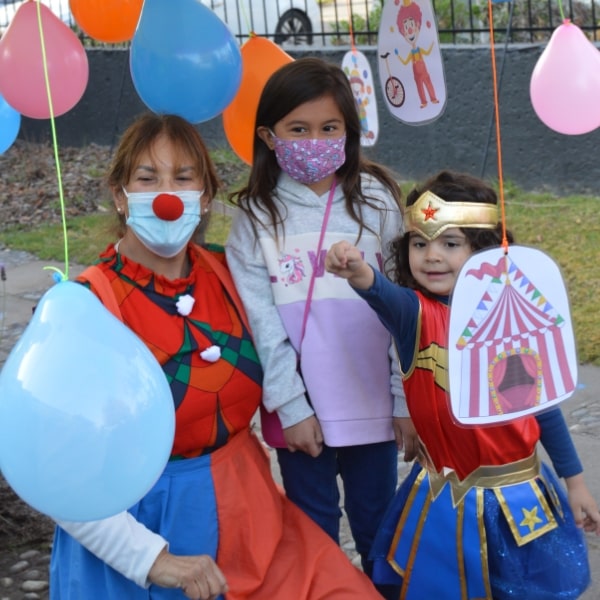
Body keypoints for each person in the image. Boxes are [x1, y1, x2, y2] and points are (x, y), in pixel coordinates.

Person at [48, 113, 386, 600]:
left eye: (184, 178)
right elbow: (55, 469)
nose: (167, 194)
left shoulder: (231, 273)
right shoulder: (85, 306)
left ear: (205, 197)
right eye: (147, 178)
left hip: (250, 518)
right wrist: (151, 559)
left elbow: (315, 327)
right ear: (121, 197)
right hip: (139, 541)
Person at [324, 169, 600, 599]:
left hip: (520, 495)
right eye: (419, 243)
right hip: (443, 498)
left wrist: (576, 482)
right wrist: (356, 268)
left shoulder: (513, 319)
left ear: (484, 250)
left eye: (450, 243)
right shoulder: (412, 314)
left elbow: (542, 407)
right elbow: (377, 290)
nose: (431, 256)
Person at [225, 56, 417, 597]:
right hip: (302, 415)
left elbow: (403, 307)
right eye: (299, 129)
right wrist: (292, 406)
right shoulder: (257, 216)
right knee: (313, 534)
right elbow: (263, 324)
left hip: (374, 407)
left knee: (382, 528)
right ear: (269, 135)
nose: (316, 139)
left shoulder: (377, 201)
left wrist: (403, 402)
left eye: (329, 128)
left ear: (349, 131)